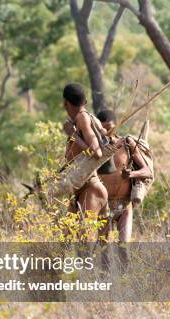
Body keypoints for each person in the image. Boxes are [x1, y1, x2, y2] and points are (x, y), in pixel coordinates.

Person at [96, 109, 151, 243]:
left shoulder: (127, 143)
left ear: (116, 126)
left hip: (125, 205)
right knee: (103, 250)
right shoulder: (95, 149)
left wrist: (131, 174)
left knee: (124, 249)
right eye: (102, 129)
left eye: (109, 128)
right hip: (103, 206)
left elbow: (147, 171)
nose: (107, 132)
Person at [62, 83, 109, 224]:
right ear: (86, 102)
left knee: (84, 240)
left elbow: (97, 153)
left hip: (90, 188)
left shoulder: (83, 118)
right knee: (68, 240)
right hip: (80, 188)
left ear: (65, 103)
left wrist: (73, 135)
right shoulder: (87, 119)